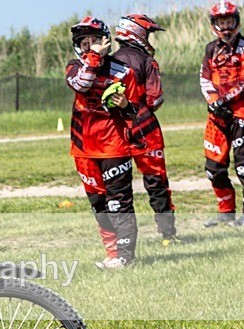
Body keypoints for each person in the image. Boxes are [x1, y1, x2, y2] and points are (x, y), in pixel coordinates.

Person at [65, 17, 143, 269]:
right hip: (83, 148)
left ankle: (125, 256)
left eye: (95, 41)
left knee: (118, 202)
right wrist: (93, 59)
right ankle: (111, 253)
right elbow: (82, 84)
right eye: (84, 43)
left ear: (106, 41)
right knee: (98, 203)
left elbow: (136, 111)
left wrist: (125, 105)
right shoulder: (74, 68)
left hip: (114, 146)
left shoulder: (123, 71)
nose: (90, 47)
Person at [113, 13, 179, 246]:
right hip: (144, 129)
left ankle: (120, 242)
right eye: (148, 33)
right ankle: (167, 235)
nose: (150, 39)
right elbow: (155, 100)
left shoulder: (108, 61)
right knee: (156, 183)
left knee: (118, 189)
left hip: (116, 132)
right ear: (138, 34)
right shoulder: (147, 62)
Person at [200, 0, 244, 227]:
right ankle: (225, 212)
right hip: (217, 115)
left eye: (229, 21)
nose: (225, 26)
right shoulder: (210, 49)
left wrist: (224, 99)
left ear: (236, 22)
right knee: (213, 168)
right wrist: (214, 101)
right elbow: (204, 77)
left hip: (242, 113)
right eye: (221, 22)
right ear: (214, 23)